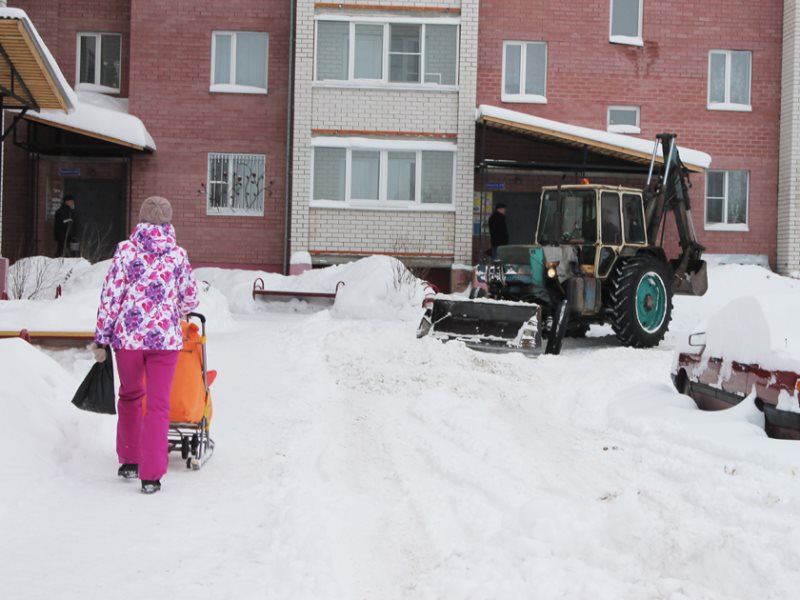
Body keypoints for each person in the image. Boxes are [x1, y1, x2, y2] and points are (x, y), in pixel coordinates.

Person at [92, 196, 199, 494]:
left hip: (127, 338)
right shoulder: (178, 255)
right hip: (164, 339)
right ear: (168, 222)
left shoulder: (125, 251)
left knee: (129, 395)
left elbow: (110, 297)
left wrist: (101, 337)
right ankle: (151, 476)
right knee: (158, 405)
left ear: (140, 220)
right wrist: (174, 307)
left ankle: (129, 459)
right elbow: (191, 298)